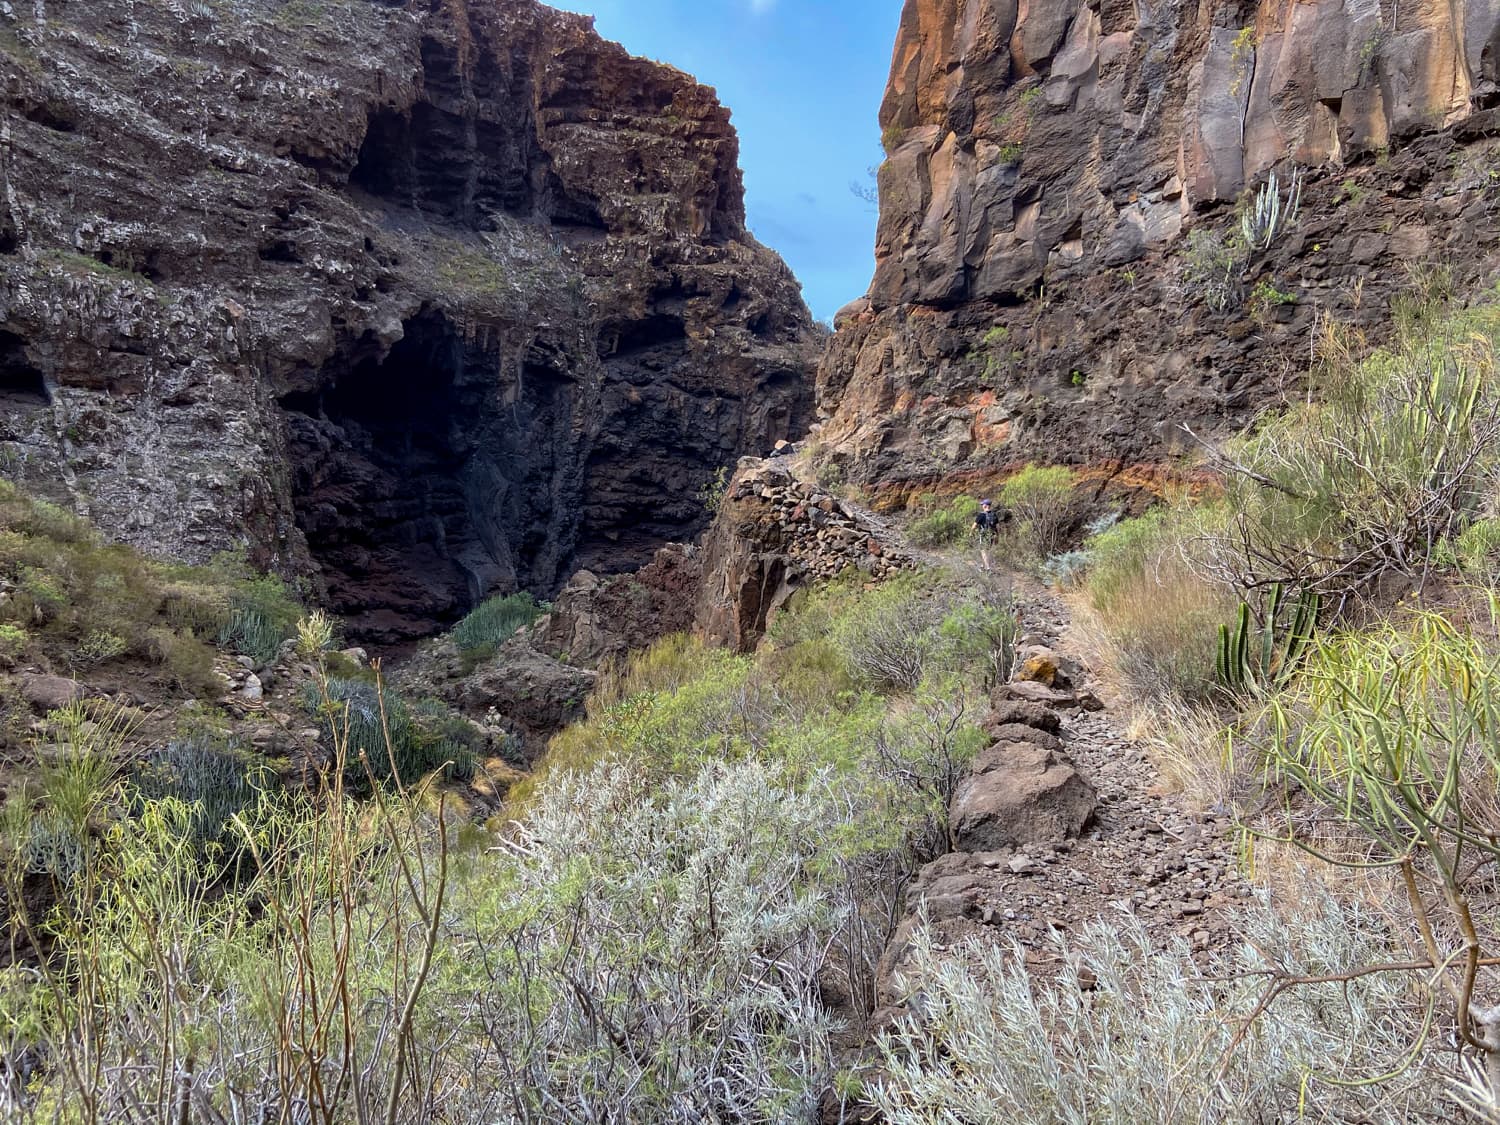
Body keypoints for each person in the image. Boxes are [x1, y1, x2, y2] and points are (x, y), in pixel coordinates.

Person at [974, 497, 999, 572]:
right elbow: (997, 527)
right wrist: (997, 537)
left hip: (984, 535)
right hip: (992, 535)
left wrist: (971, 532)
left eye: (983, 504)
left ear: (985, 505)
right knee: (987, 551)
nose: (982, 506)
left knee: (983, 551)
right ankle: (983, 566)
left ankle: (988, 568)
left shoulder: (981, 515)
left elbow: (974, 526)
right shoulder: (994, 515)